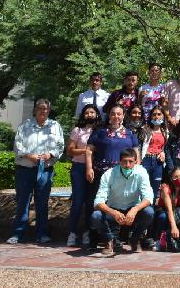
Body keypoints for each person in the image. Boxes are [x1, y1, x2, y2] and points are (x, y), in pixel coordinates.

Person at [7, 98, 65, 245]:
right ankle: (17, 234)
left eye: (45, 109)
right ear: (34, 110)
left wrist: (50, 155)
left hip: (45, 170)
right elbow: (17, 145)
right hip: (25, 169)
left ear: (49, 111)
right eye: (40, 108)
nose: (42, 111)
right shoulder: (25, 125)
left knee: (42, 203)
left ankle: (42, 234)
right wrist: (29, 155)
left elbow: (60, 146)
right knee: (22, 202)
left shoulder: (55, 126)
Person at [84, 105, 140, 249]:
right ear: (109, 116)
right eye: (113, 114)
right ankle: (95, 239)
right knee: (98, 205)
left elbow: (136, 154)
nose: (116, 116)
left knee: (117, 206)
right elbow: (89, 150)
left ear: (123, 116)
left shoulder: (130, 133)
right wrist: (89, 168)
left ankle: (116, 239)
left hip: (123, 176)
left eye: (119, 114)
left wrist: (137, 172)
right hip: (101, 175)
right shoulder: (100, 132)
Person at [91, 148, 155, 255]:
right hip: (114, 210)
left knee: (149, 212)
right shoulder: (109, 174)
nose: (127, 165)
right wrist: (113, 212)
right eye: (124, 161)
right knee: (96, 216)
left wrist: (135, 209)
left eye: (131, 161)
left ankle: (135, 239)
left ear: (136, 162)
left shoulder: (142, 172)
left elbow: (148, 197)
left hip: (133, 210)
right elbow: (98, 202)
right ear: (119, 162)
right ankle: (108, 241)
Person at [66, 104, 101, 247]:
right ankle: (72, 233)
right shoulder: (78, 130)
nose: (90, 115)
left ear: (97, 115)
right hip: (79, 168)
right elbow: (70, 151)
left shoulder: (101, 131)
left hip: (96, 168)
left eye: (92, 112)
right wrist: (87, 151)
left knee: (91, 202)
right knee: (78, 201)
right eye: (87, 113)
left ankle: (88, 232)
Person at [154, 166, 180, 251]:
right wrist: (174, 227)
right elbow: (169, 209)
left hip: (177, 212)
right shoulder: (166, 189)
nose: (178, 179)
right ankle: (158, 239)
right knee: (163, 217)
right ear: (171, 179)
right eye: (175, 177)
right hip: (164, 211)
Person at [139, 106, 168, 201]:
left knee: (155, 187)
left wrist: (163, 153)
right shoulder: (145, 129)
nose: (156, 116)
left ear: (163, 116)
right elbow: (138, 146)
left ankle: (152, 211)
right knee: (143, 185)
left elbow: (165, 148)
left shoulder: (166, 131)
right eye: (154, 114)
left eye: (159, 114)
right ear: (151, 116)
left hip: (158, 162)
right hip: (146, 160)